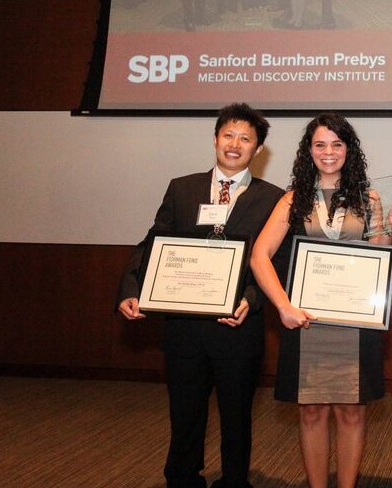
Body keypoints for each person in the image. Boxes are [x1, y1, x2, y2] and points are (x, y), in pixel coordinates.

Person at [117, 103, 284, 488]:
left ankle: (235, 481)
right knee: (185, 411)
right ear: (215, 139)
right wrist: (131, 288)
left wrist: (251, 299)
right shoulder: (183, 187)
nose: (234, 144)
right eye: (228, 135)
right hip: (184, 327)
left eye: (245, 138)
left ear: (258, 150)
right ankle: (182, 478)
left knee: (237, 414)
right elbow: (153, 242)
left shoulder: (273, 198)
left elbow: (280, 260)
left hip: (238, 325)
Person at [249, 113, 387, 488]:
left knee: (351, 413)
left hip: (354, 325)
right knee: (310, 413)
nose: (329, 152)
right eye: (320, 144)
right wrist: (283, 306)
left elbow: (381, 259)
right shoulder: (292, 200)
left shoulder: (369, 198)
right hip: (305, 323)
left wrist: (389, 228)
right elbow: (259, 256)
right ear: (308, 151)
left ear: (349, 149)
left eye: (337, 144)